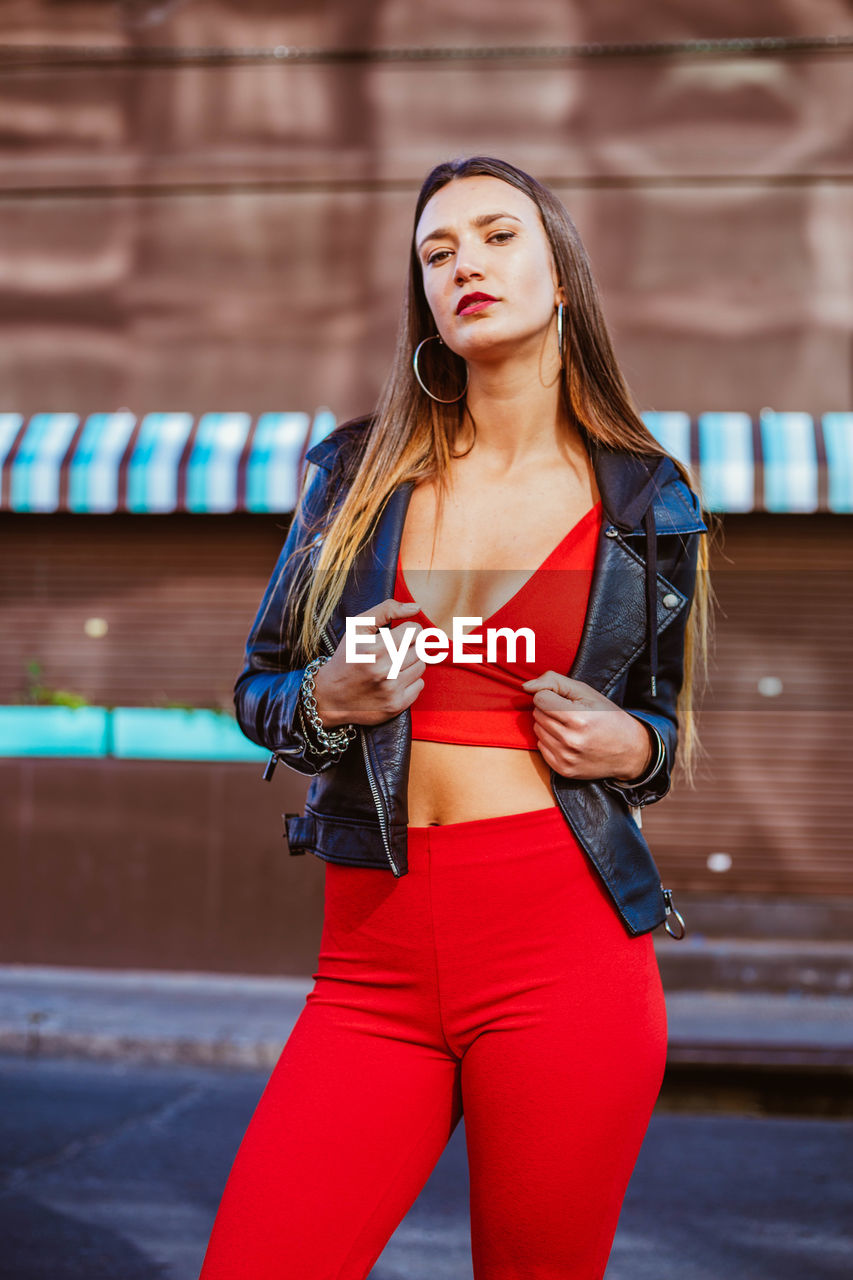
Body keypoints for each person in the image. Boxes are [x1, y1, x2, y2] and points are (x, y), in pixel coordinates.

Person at [198, 155, 710, 1280]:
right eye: (437, 252)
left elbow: (657, 727)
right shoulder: (355, 475)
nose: (464, 263)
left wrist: (633, 745)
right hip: (370, 961)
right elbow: (261, 686)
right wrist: (326, 701)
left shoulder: (644, 499)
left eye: (495, 235)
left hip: (563, 955)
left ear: (560, 273)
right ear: (422, 297)